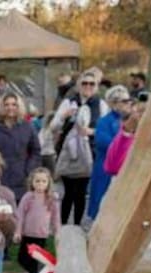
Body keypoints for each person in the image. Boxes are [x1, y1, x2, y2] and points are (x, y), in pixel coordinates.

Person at [51, 70, 109, 226]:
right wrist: (64, 116)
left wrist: (92, 132)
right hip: (68, 152)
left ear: (97, 86)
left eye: (92, 83)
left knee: (81, 193)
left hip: (90, 153)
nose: (88, 86)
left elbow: (107, 131)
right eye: (84, 83)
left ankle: (77, 226)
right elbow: (53, 126)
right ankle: (62, 227)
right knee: (68, 192)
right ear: (78, 85)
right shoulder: (68, 101)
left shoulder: (101, 104)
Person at [0, 92, 41, 200]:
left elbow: (36, 150)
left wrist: (29, 169)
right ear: (1, 107)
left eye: (14, 104)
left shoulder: (27, 127)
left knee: (19, 213)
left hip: (21, 178)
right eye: (6, 104)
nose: (10, 107)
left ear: (19, 106)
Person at [86, 85, 133, 223]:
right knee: (102, 202)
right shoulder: (105, 121)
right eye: (124, 101)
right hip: (106, 168)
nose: (128, 104)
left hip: (126, 168)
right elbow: (104, 142)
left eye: (129, 100)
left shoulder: (132, 119)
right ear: (113, 103)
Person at [14, 168, 60, 273]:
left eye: (43, 181)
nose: (40, 184)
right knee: (22, 258)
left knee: (35, 260)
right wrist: (18, 231)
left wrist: (57, 232)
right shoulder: (28, 197)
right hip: (27, 234)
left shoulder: (51, 199)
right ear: (32, 182)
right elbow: (20, 215)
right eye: (37, 181)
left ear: (48, 183)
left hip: (41, 235)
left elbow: (56, 217)